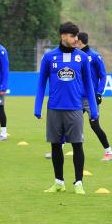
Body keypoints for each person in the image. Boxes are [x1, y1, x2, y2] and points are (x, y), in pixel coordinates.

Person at [35, 22, 98, 195]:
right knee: (56, 146)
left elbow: (89, 85)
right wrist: (37, 106)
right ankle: (58, 182)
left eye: (76, 36)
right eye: (73, 36)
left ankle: (78, 183)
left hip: (75, 108)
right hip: (54, 108)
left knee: (78, 145)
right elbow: (41, 83)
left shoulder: (82, 58)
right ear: (63, 36)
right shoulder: (49, 58)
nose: (76, 39)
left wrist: (94, 109)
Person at [75, 32, 112, 161]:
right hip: (77, 98)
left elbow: (103, 76)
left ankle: (109, 152)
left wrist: (99, 93)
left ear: (80, 42)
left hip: (91, 99)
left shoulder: (95, 56)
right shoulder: (75, 56)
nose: (74, 43)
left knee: (95, 126)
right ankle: (59, 150)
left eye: (76, 41)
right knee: (71, 123)